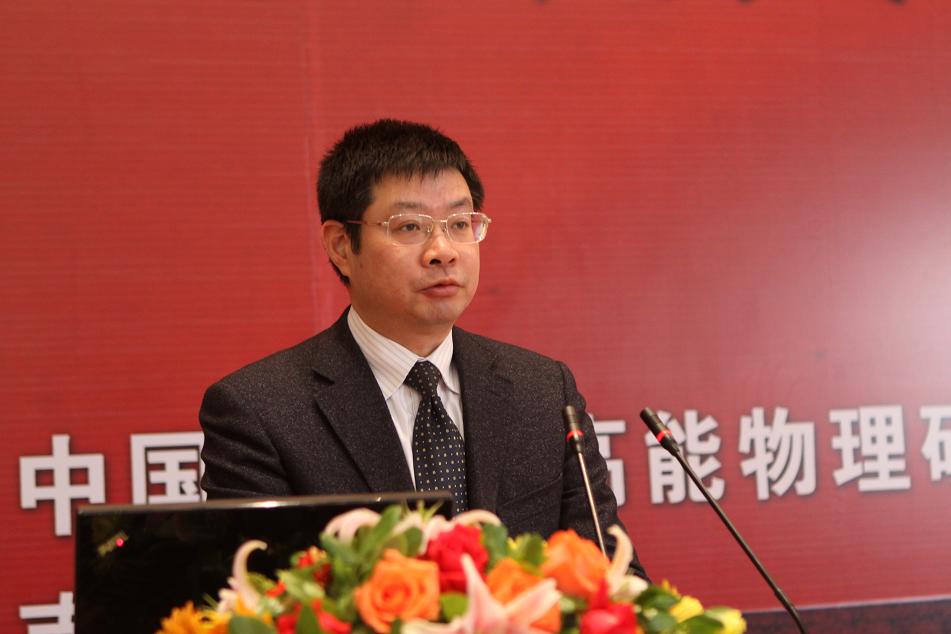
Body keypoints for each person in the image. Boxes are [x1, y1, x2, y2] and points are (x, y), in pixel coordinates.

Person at [199, 119, 646, 578]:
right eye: (410, 226)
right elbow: (255, 599)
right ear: (341, 246)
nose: (443, 251)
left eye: (459, 224)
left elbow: (612, 576)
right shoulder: (261, 412)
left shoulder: (543, 390)